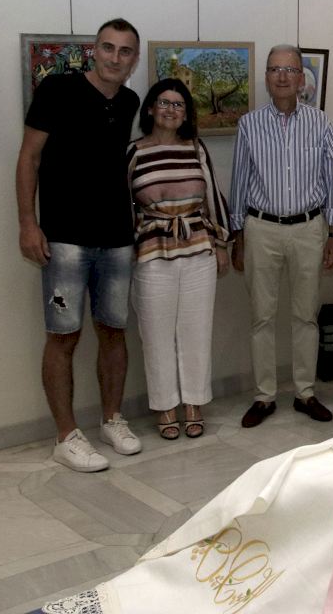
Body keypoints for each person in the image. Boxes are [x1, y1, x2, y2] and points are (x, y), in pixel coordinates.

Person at [16, 18, 143, 472]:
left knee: (113, 331)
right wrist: (28, 223)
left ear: (134, 59)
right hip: (64, 239)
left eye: (125, 51)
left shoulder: (129, 101)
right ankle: (66, 436)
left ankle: (112, 419)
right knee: (63, 336)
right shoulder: (57, 89)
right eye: (108, 47)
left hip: (116, 239)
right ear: (94, 50)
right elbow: (29, 157)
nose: (115, 57)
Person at [230, 45, 333, 427]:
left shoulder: (321, 123)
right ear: (266, 77)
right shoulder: (249, 125)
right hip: (261, 228)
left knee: (305, 316)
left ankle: (304, 393)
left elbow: (332, 181)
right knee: (261, 317)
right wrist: (237, 235)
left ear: (301, 79)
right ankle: (264, 396)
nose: (282, 76)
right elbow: (239, 181)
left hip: (309, 229)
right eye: (275, 69)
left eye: (290, 69)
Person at [128, 79, 231, 439]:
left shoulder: (196, 148)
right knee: (156, 334)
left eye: (178, 104)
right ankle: (165, 407)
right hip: (152, 252)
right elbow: (124, 205)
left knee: (196, 330)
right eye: (164, 102)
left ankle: (194, 403)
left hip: (198, 250)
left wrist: (221, 243)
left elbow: (213, 197)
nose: (171, 110)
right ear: (151, 109)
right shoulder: (134, 152)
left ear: (186, 113)